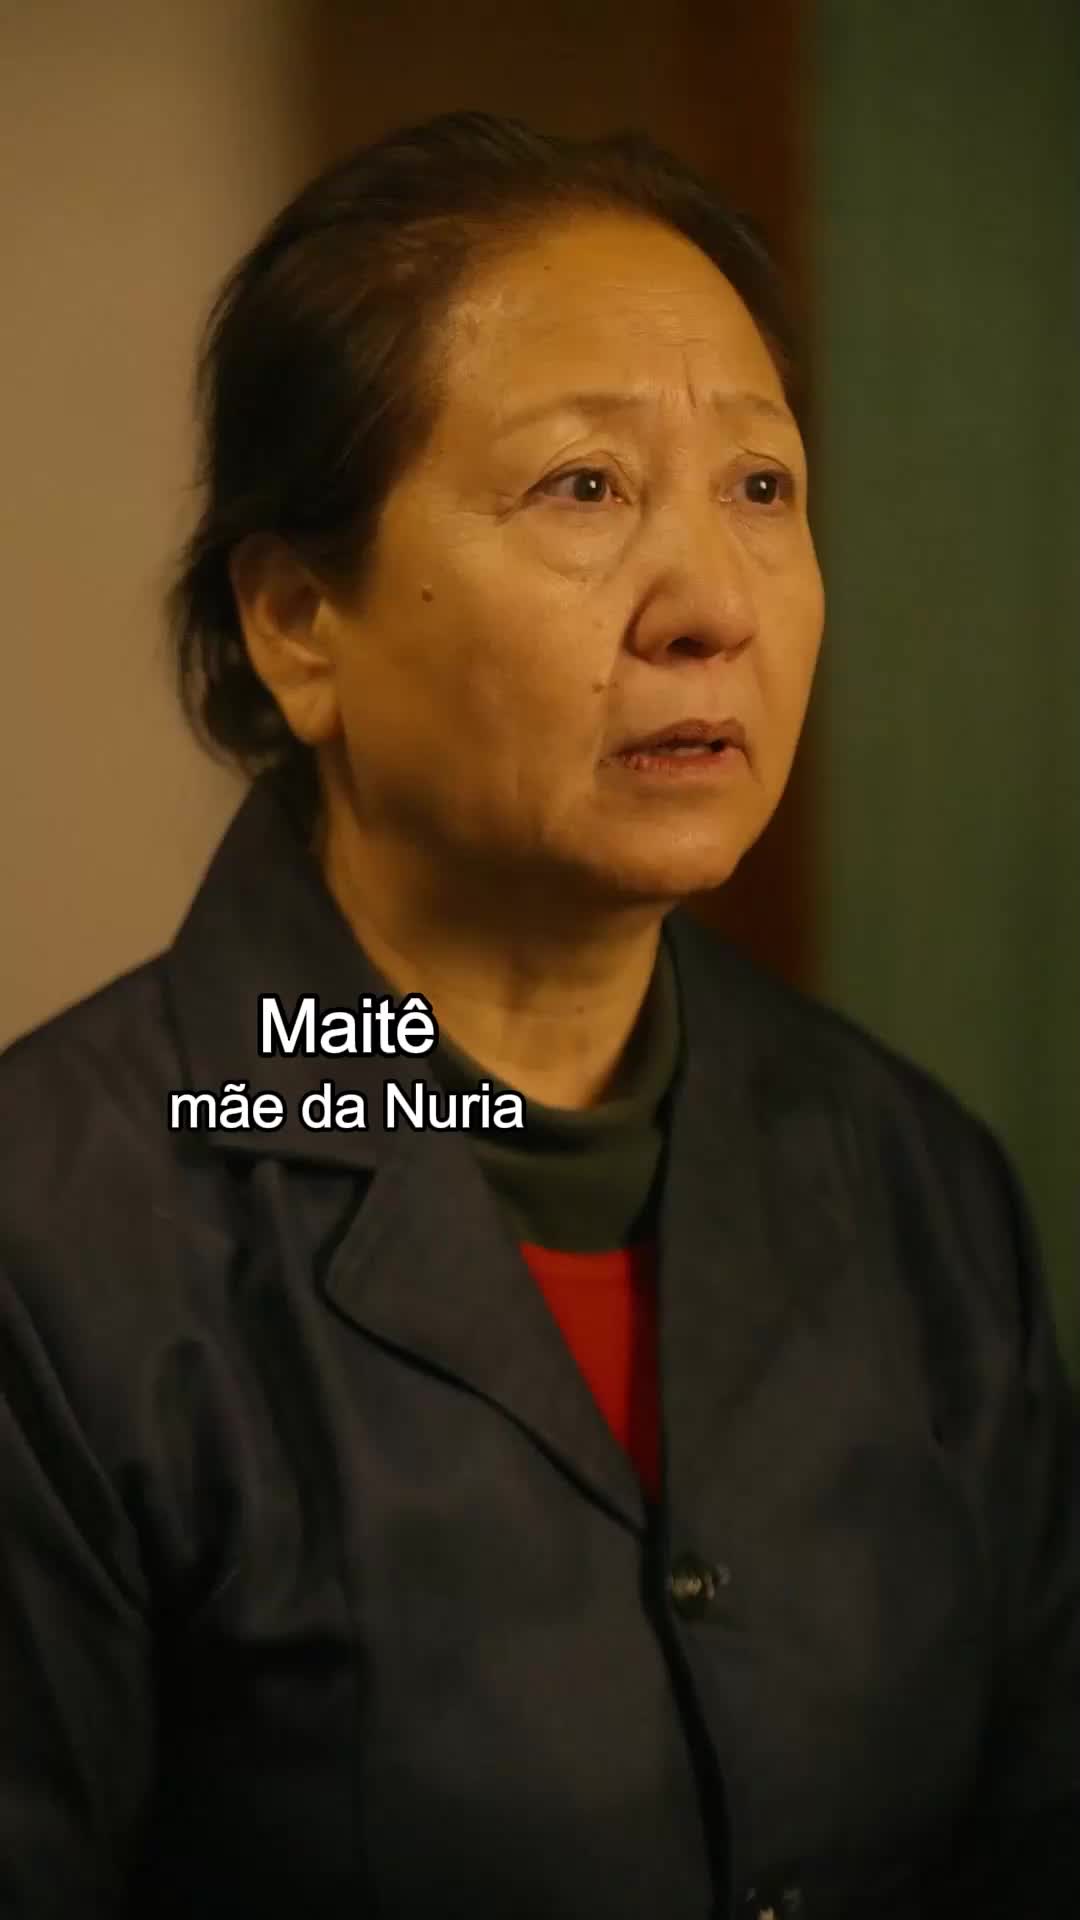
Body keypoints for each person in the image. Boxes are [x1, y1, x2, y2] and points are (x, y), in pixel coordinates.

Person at [1, 109, 1077, 1920]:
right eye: (583, 487)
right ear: (298, 622)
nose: (711, 605)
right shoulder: (62, 1241)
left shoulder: (915, 1179)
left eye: (762, 489)